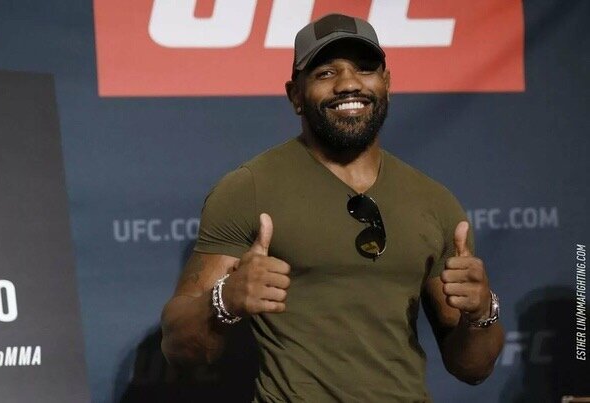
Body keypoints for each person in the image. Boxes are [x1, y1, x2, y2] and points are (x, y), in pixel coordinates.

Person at [161, 13, 505, 402]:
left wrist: (481, 314)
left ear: (387, 84)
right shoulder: (248, 190)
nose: (349, 84)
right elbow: (180, 348)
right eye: (326, 73)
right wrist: (223, 299)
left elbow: (473, 368)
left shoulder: (435, 202)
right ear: (295, 95)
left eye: (365, 69)